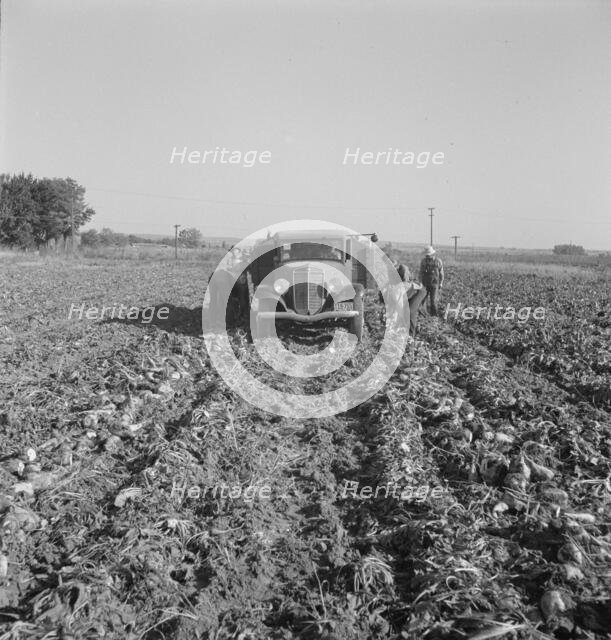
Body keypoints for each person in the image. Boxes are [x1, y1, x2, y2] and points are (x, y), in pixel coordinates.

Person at [381, 258, 427, 335]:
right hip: (408, 290)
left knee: (410, 312)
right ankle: (410, 329)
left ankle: (411, 335)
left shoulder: (395, 291)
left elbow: (398, 308)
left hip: (419, 291)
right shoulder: (391, 290)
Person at [419, 246, 444, 316]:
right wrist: (420, 282)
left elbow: (441, 273)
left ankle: (434, 316)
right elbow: (421, 272)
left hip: (434, 284)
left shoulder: (438, 261)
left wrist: (441, 283)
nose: (427, 256)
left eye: (428, 255)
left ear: (432, 254)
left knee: (433, 301)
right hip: (425, 284)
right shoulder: (423, 261)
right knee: (423, 300)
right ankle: (424, 315)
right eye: (426, 255)